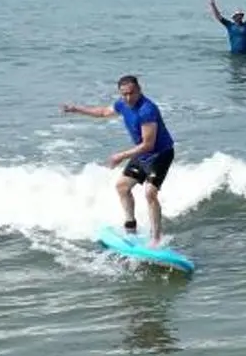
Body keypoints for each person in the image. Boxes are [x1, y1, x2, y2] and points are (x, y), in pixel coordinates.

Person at [60, 74, 176, 243]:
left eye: (132, 93)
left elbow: (148, 145)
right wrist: (76, 109)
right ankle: (131, 228)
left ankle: (156, 239)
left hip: (160, 154)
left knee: (150, 193)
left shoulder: (147, 110)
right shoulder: (122, 104)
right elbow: (103, 112)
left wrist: (120, 156)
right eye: (124, 94)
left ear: (139, 90)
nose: (128, 98)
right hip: (142, 153)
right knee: (122, 186)